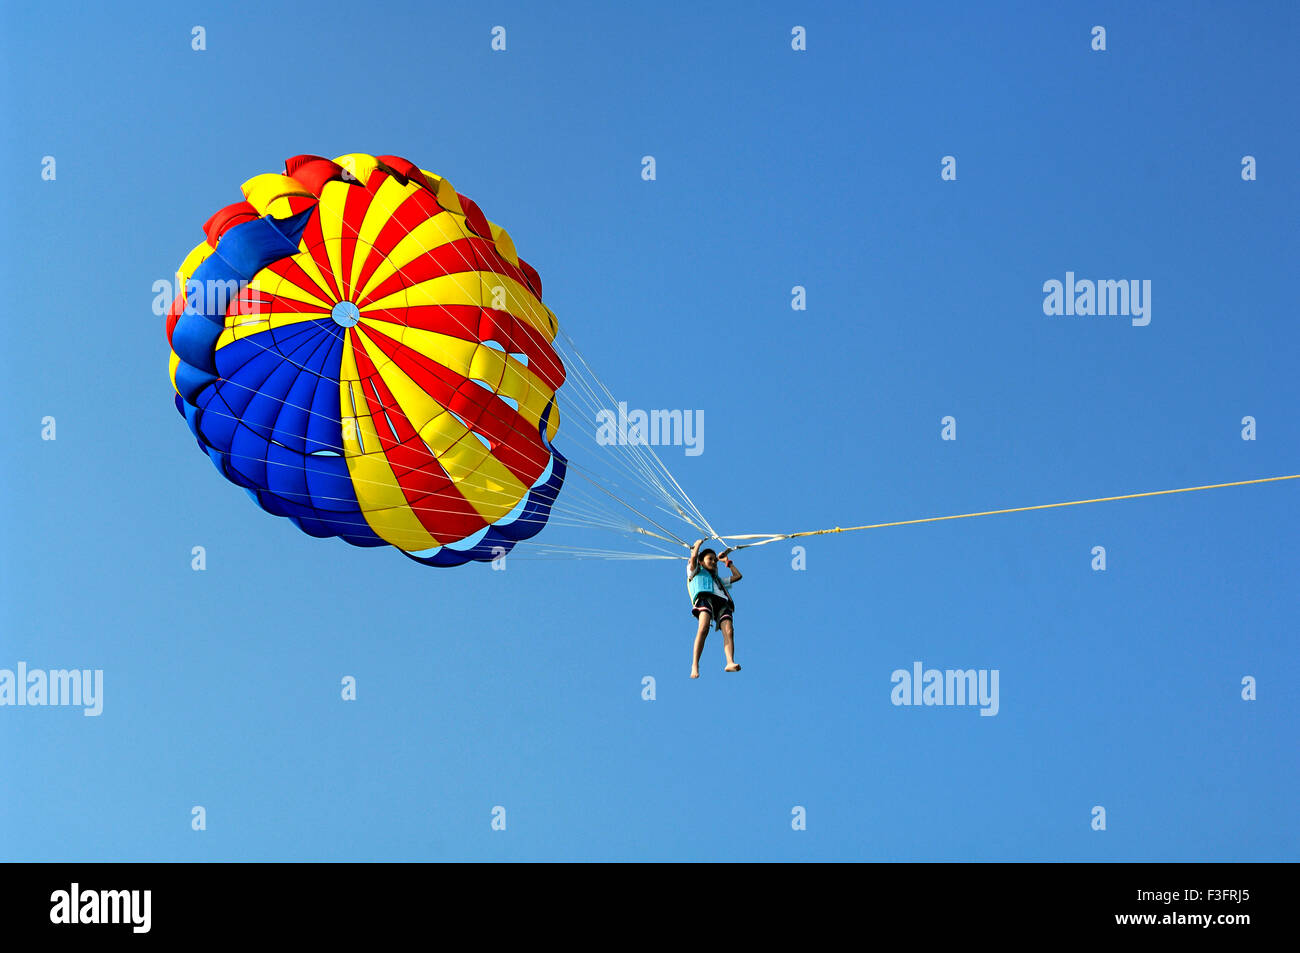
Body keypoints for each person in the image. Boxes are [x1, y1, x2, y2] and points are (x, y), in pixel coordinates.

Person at [687, 539, 742, 677]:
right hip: (705, 599)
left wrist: (726, 562)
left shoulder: (718, 580)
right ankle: (695, 665)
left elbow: (738, 576)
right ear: (701, 562)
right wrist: (698, 545)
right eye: (710, 559)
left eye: (714, 560)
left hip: (722, 604)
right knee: (704, 627)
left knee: (729, 631)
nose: (713, 561)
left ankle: (729, 662)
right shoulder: (695, 572)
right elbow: (693, 558)